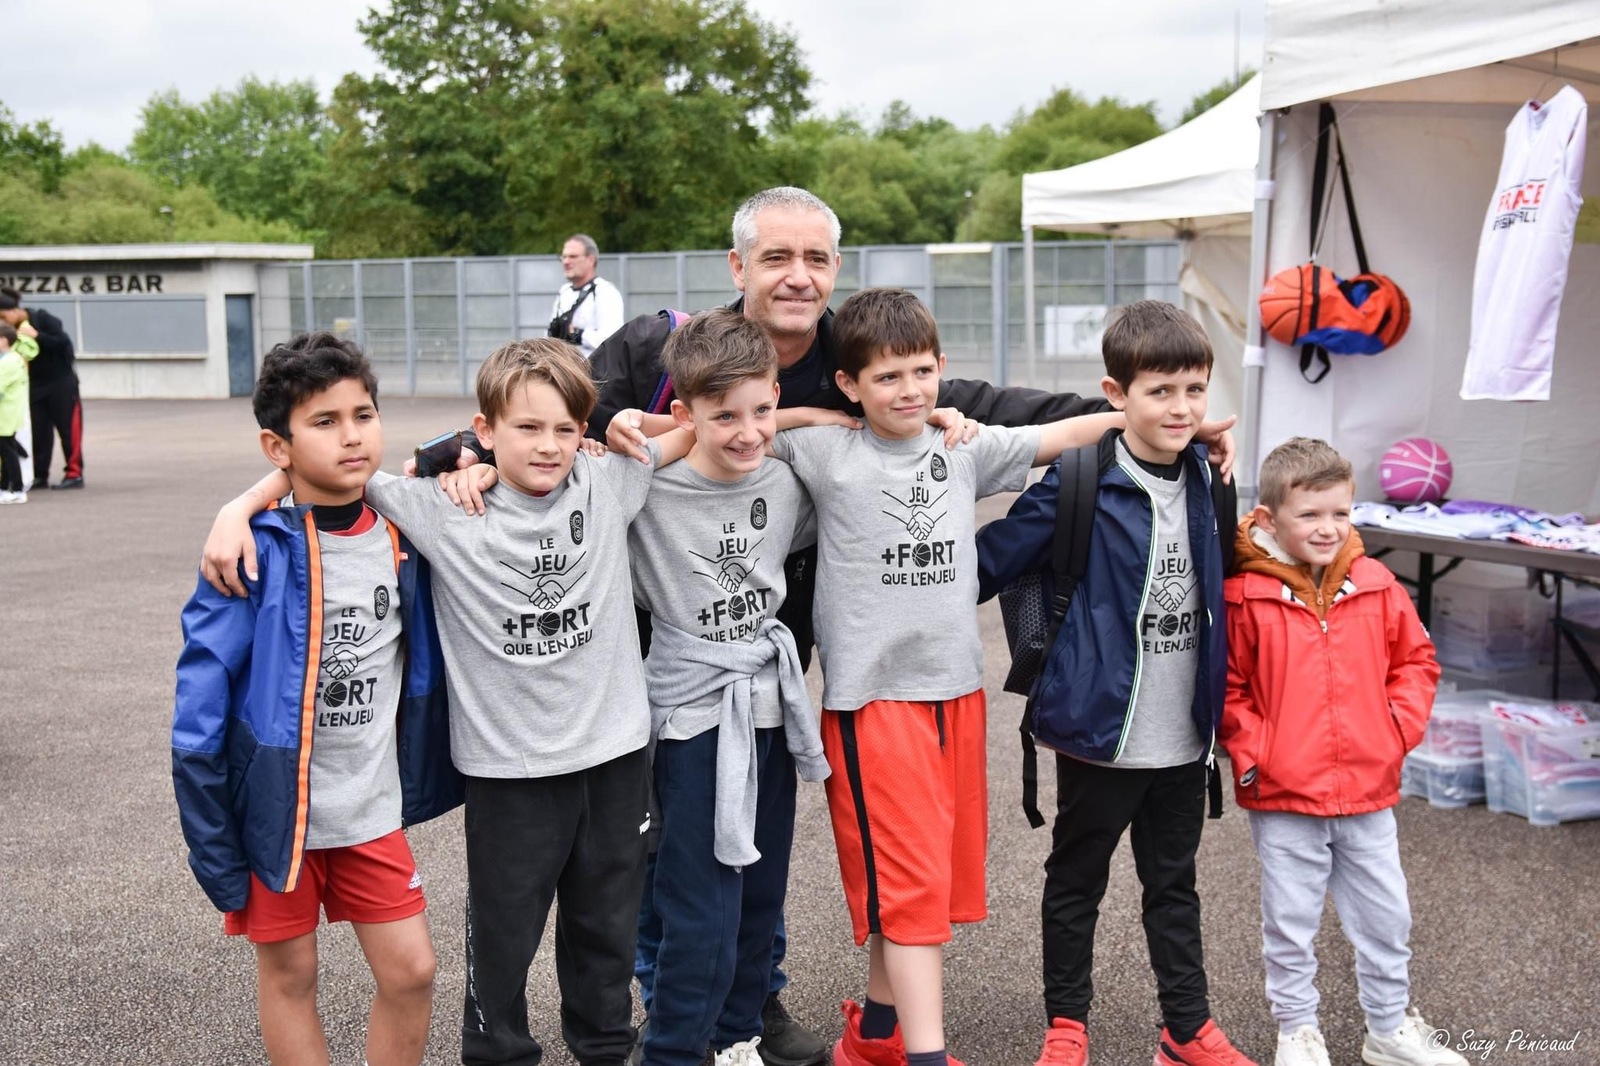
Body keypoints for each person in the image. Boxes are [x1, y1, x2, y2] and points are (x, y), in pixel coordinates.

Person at [204, 338, 671, 1066]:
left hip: (615, 757)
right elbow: (330, 472)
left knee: (607, 930)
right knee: (504, 941)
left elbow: (699, 428)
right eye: (526, 427)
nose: (548, 445)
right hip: (509, 771)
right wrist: (239, 506)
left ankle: (605, 1050)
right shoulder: (436, 507)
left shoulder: (609, 480)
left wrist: (622, 426)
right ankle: (497, 1055)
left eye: (564, 429)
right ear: (485, 430)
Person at [742, 286, 1126, 1066]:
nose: (908, 390)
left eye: (921, 372)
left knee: (927, 884)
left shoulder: (961, 448)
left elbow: (1061, 436)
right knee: (910, 888)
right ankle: (924, 1055)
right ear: (849, 383)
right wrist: (814, 416)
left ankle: (876, 1036)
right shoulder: (828, 452)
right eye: (885, 377)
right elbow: (729, 426)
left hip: (957, 696)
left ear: (941, 368)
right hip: (875, 704)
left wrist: (1155, 422)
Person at [976, 301, 1254, 1066]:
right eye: (1160, 391)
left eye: (1193, 390)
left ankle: (1187, 1029)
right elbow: (987, 563)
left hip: (1184, 737)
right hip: (1100, 733)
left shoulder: (1210, 479)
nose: (1181, 407)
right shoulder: (1080, 482)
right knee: (1077, 883)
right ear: (1116, 393)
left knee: (1175, 887)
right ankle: (1067, 1027)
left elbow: (1232, 580)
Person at [172, 332, 461, 1066]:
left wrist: (471, 465)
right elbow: (198, 716)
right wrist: (215, 842)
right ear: (279, 445)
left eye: (363, 414)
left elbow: (495, 442)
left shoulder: (406, 528)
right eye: (324, 422)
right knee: (291, 974)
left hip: (368, 807)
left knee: (413, 970)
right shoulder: (247, 552)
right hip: (278, 817)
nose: (352, 435)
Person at [1220, 438, 1466, 1066]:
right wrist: (1257, 752)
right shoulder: (1243, 596)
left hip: (1368, 791)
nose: (1328, 528)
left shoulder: (1378, 585)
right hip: (1284, 794)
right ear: (1269, 518)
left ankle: (1389, 1028)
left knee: (1387, 918)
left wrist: (1394, 731)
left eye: (1340, 512)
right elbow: (1227, 689)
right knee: (1290, 923)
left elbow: (1416, 662)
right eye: (1309, 514)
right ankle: (1297, 1031)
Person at [0, 287, 83, 490]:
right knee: (39, 432)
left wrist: (37, 336)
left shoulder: (42, 318)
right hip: (35, 385)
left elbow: (63, 342)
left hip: (61, 383)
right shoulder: (9, 334)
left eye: (3, 316)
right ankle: (40, 475)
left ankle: (74, 473)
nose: (3, 321)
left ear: (14, 310)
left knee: (68, 429)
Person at [551, 233, 626, 358]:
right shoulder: (564, 292)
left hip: (593, 367)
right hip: (563, 366)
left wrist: (577, 334)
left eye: (573, 256)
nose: (566, 262)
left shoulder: (605, 292)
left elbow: (613, 340)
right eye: (563, 257)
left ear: (591, 259)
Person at [0, 322, 39, 504]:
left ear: (4, 340)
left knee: (8, 453)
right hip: (8, 413)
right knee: (7, 451)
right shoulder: (13, 359)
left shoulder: (9, 362)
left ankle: (17, 489)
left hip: (5, 414)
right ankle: (5, 488)